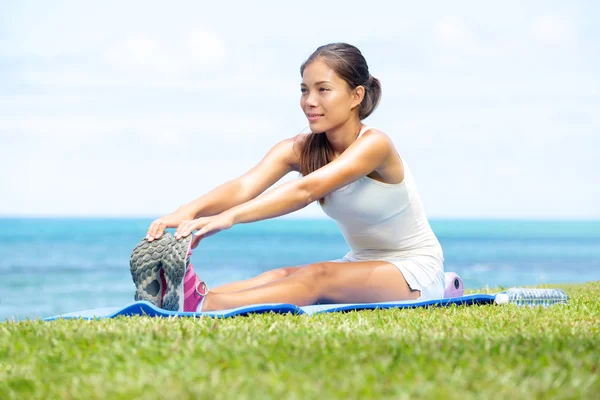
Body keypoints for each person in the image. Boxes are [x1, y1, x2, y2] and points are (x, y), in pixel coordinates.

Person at [140, 43, 445, 313]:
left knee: (316, 277)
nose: (309, 101)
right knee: (282, 275)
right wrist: (186, 212)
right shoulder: (301, 149)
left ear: (356, 95)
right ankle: (186, 296)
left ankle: (205, 305)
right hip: (362, 262)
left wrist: (228, 218)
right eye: (304, 90)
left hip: (413, 269)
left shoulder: (375, 144)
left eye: (323, 90)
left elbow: (307, 190)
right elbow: (244, 186)